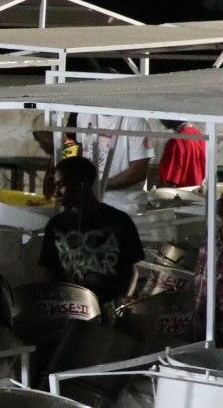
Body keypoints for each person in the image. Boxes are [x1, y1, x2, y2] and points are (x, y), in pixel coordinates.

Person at [41, 155, 142, 303]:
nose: (56, 193)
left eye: (61, 185)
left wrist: (123, 301)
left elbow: (132, 270)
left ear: (82, 183)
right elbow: (49, 271)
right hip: (71, 307)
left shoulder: (119, 221)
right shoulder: (56, 225)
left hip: (110, 307)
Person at [157, 120, 205, 189]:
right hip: (197, 191)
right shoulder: (198, 134)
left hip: (180, 195)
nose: (160, 119)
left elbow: (169, 182)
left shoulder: (175, 142)